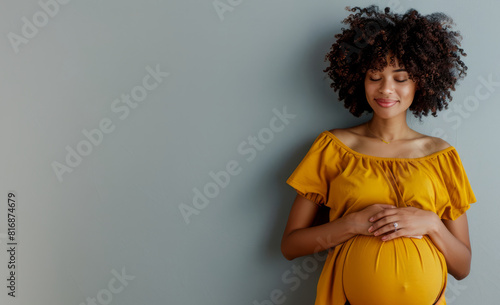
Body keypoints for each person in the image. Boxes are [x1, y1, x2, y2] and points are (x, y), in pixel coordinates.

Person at [280, 6, 477, 305]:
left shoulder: (441, 156)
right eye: (375, 76)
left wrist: (432, 224)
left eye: (400, 78)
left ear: (419, 83)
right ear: (360, 79)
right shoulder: (333, 147)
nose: (386, 89)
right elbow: (291, 246)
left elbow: (462, 267)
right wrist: (352, 224)